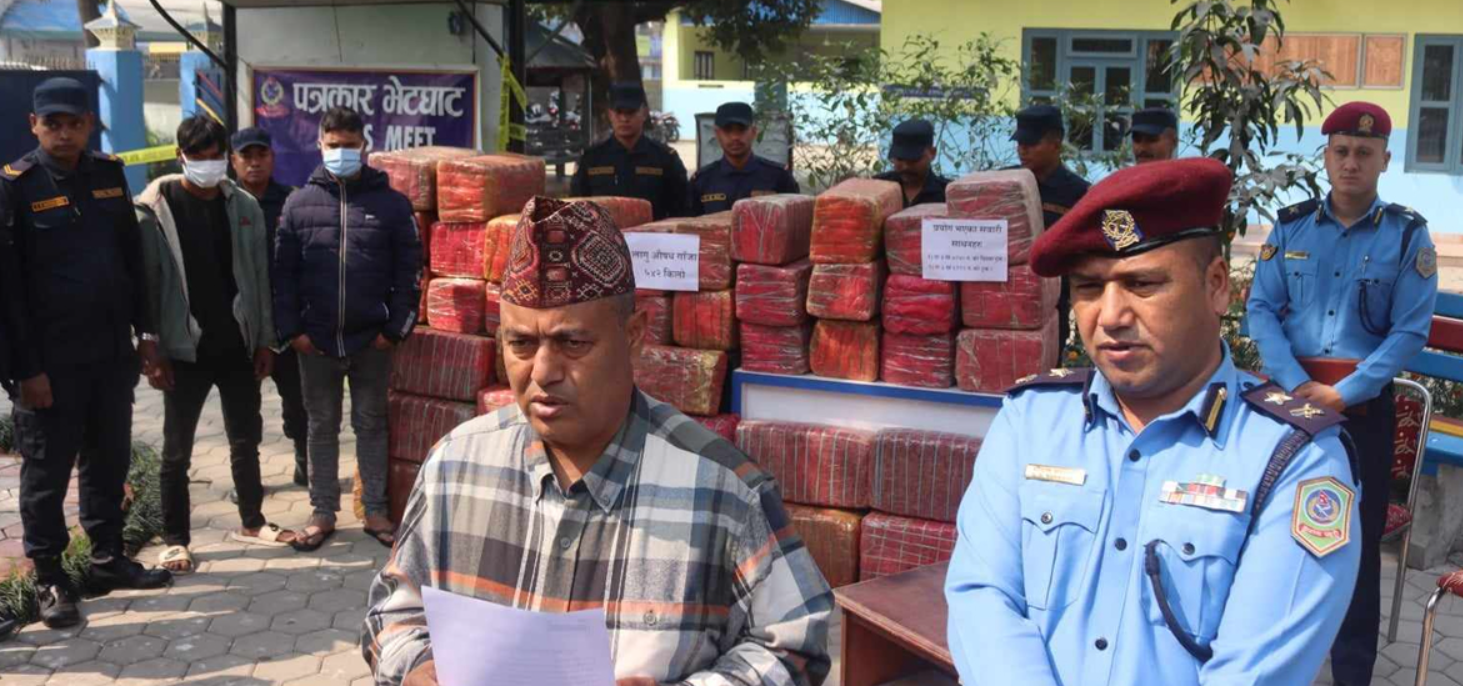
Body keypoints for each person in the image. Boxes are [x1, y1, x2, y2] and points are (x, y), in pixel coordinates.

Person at [362, 197, 833, 686]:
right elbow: (392, 612)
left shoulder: (724, 489)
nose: (542, 372)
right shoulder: (456, 466)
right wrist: (415, 668)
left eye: (573, 343)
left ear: (634, 336)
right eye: (521, 343)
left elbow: (795, 644)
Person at [945, 158, 1361, 685]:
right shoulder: (1031, 422)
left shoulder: (1297, 462)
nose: (1110, 316)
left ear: (1216, 286)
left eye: (1141, 283)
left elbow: (1253, 673)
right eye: (1089, 288)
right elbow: (983, 595)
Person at [1246, 101, 1438, 686]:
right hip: (1289, 408)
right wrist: (1295, 384)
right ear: (1326, 157)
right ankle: (1272, 662)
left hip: (1363, 412)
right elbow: (1260, 309)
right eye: (1341, 151)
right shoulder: (1291, 226)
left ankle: (1352, 673)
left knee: (1355, 542)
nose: (1351, 162)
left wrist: (1344, 393)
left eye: (1364, 152)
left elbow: (1410, 331)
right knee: (1273, 531)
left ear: (1384, 160)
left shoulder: (1407, 234)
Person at [0, 77, 172, 627]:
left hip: (109, 353)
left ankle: (106, 559)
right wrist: (25, 369)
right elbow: (7, 290)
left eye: (74, 123)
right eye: (52, 124)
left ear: (89, 125)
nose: (64, 133)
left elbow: (131, 261)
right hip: (49, 363)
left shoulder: (108, 175)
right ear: (34, 126)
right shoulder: (15, 186)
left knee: (108, 459)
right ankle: (50, 578)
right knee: (47, 474)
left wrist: (147, 333)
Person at [135, 115, 299, 574]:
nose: (207, 165)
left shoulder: (242, 206)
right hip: (182, 350)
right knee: (176, 451)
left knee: (246, 439)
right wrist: (150, 347)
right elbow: (144, 285)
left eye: (214, 157)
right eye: (197, 156)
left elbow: (259, 278)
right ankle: (176, 540)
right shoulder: (153, 211)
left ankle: (252, 521)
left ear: (225, 157)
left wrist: (265, 341)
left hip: (236, 345)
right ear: (179, 156)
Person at [273, 106, 422, 552]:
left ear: (365, 146)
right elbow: (282, 277)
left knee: (372, 423)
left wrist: (393, 330)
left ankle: (375, 511)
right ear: (320, 145)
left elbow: (410, 273)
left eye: (350, 146)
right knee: (320, 425)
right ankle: (322, 512)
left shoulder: (392, 205)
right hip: (315, 341)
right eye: (334, 145)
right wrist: (293, 332)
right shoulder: (298, 204)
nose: (342, 152)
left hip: (371, 339)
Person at [231, 126, 306, 487]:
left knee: (299, 402)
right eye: (246, 156)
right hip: (243, 324)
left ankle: (305, 462)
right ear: (233, 161)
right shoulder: (223, 202)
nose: (254, 163)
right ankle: (249, 478)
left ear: (272, 158)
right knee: (244, 409)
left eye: (261, 155)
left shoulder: (292, 202)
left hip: (286, 320)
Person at [1008, 104, 1090, 350]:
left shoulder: (1078, 193)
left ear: (1056, 144)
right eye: (1019, 143)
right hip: (1006, 300)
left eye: (1031, 143)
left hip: (1054, 304)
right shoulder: (1005, 185)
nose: (1022, 149)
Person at [570, 82, 689, 220]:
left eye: (631, 112)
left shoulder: (665, 159)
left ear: (644, 113)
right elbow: (576, 209)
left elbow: (682, 211)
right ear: (610, 114)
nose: (624, 119)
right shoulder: (592, 159)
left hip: (652, 233)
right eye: (619, 112)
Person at [688, 101, 799, 216]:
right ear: (717, 133)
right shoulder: (702, 181)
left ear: (753, 132)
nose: (735, 137)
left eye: (741, 129)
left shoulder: (779, 177)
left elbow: (794, 219)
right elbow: (689, 223)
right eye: (728, 130)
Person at [874, 118, 951, 207]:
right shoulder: (876, 187)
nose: (905, 166)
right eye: (900, 159)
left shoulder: (949, 194)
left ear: (932, 153)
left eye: (913, 160)